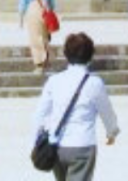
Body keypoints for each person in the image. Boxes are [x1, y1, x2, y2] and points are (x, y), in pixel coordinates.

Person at [32, 31, 119, 181]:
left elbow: (41, 114)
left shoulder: (54, 81)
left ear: (66, 54)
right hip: (82, 144)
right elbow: (107, 112)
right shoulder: (95, 83)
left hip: (57, 144)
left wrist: (36, 139)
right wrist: (111, 132)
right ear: (90, 55)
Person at [19, 0, 56, 73]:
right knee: (45, 36)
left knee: (35, 37)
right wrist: (50, 12)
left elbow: (22, 4)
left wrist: (21, 18)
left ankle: (39, 64)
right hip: (45, 10)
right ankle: (47, 61)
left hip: (33, 10)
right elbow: (52, 2)